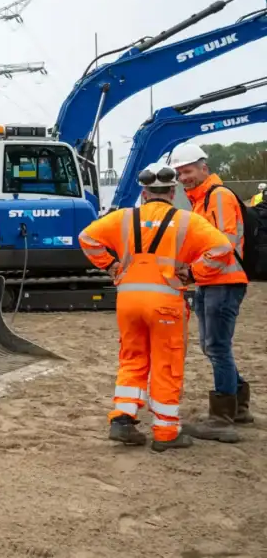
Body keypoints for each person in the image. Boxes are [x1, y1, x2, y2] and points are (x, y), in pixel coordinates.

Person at [78, 163, 233, 452]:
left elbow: (86, 238)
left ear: (144, 193)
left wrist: (111, 266)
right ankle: (165, 433)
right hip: (165, 304)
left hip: (128, 302)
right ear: (173, 192)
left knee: (132, 358)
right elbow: (223, 248)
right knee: (166, 363)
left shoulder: (123, 218)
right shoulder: (187, 221)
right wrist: (196, 272)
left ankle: (123, 418)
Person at [168, 143, 251, 441]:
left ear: (204, 168)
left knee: (216, 347)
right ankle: (238, 405)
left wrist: (192, 271)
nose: (183, 177)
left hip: (223, 282)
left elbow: (223, 246)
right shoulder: (201, 199)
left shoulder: (218, 197)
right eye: (179, 173)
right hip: (211, 282)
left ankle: (222, 417)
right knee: (213, 346)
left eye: (187, 171)